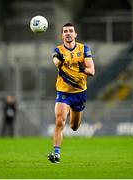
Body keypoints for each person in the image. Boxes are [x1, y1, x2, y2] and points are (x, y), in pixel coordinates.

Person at [48, 23, 95, 163]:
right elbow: (56, 62)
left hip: (79, 93)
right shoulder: (58, 50)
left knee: (74, 127)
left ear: (75, 34)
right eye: (65, 31)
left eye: (70, 31)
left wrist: (83, 69)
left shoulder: (84, 49)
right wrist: (61, 61)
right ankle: (56, 154)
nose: (68, 33)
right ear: (62, 35)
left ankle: (74, 119)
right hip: (64, 92)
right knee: (59, 121)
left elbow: (91, 71)